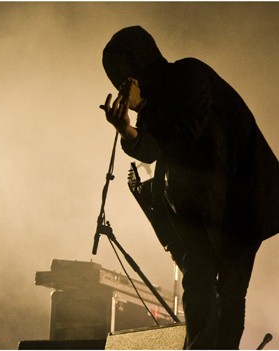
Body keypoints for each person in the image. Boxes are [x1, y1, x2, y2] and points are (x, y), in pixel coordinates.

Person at [100, 25, 279, 349]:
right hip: (206, 205)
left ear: (140, 60)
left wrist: (142, 108)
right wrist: (126, 130)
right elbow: (155, 147)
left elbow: (187, 132)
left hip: (244, 199)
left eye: (125, 70)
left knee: (229, 291)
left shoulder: (189, 74)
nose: (123, 81)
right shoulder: (155, 101)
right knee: (199, 283)